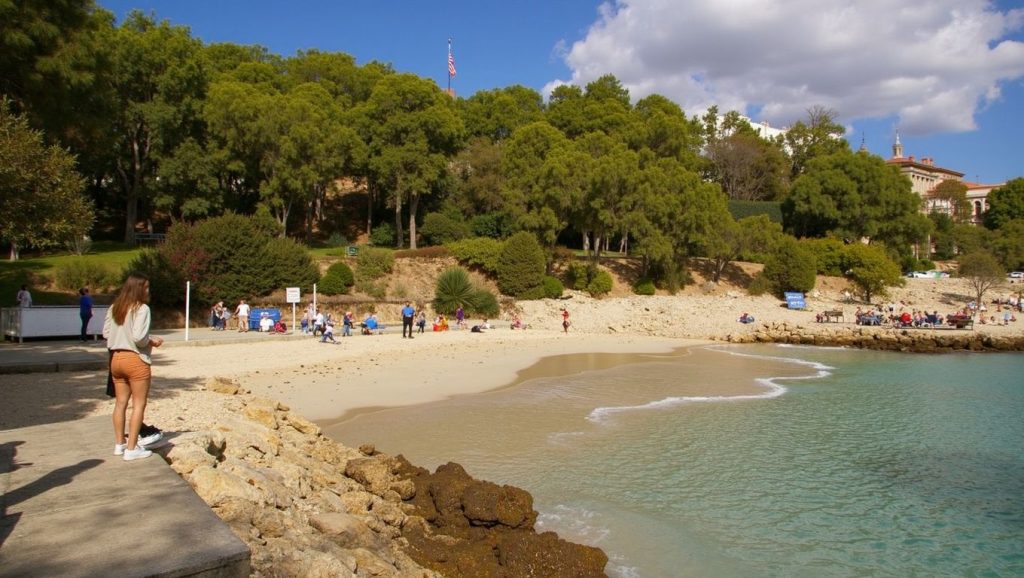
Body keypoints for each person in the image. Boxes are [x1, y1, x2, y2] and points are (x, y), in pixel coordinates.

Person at [103, 273, 164, 461]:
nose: (148, 291)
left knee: (120, 403)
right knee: (139, 404)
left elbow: (105, 332)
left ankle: (119, 444)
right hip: (135, 359)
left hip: (116, 358)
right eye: (146, 287)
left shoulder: (115, 307)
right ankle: (132, 448)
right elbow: (138, 337)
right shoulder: (142, 308)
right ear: (138, 288)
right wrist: (151, 341)